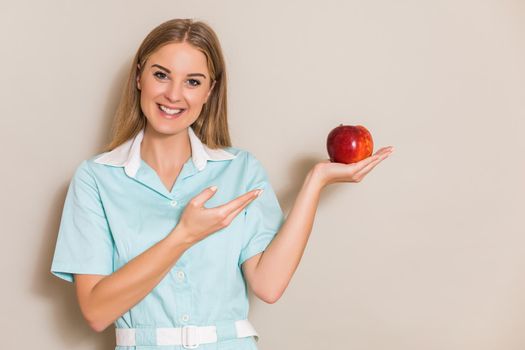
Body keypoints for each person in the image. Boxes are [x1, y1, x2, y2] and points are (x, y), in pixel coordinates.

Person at [50, 18, 393, 350]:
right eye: (161, 75)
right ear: (139, 77)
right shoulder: (95, 179)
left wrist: (315, 183)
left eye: (193, 82)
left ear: (210, 91)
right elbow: (96, 312)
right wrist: (184, 235)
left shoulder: (240, 169)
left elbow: (268, 285)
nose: (173, 95)